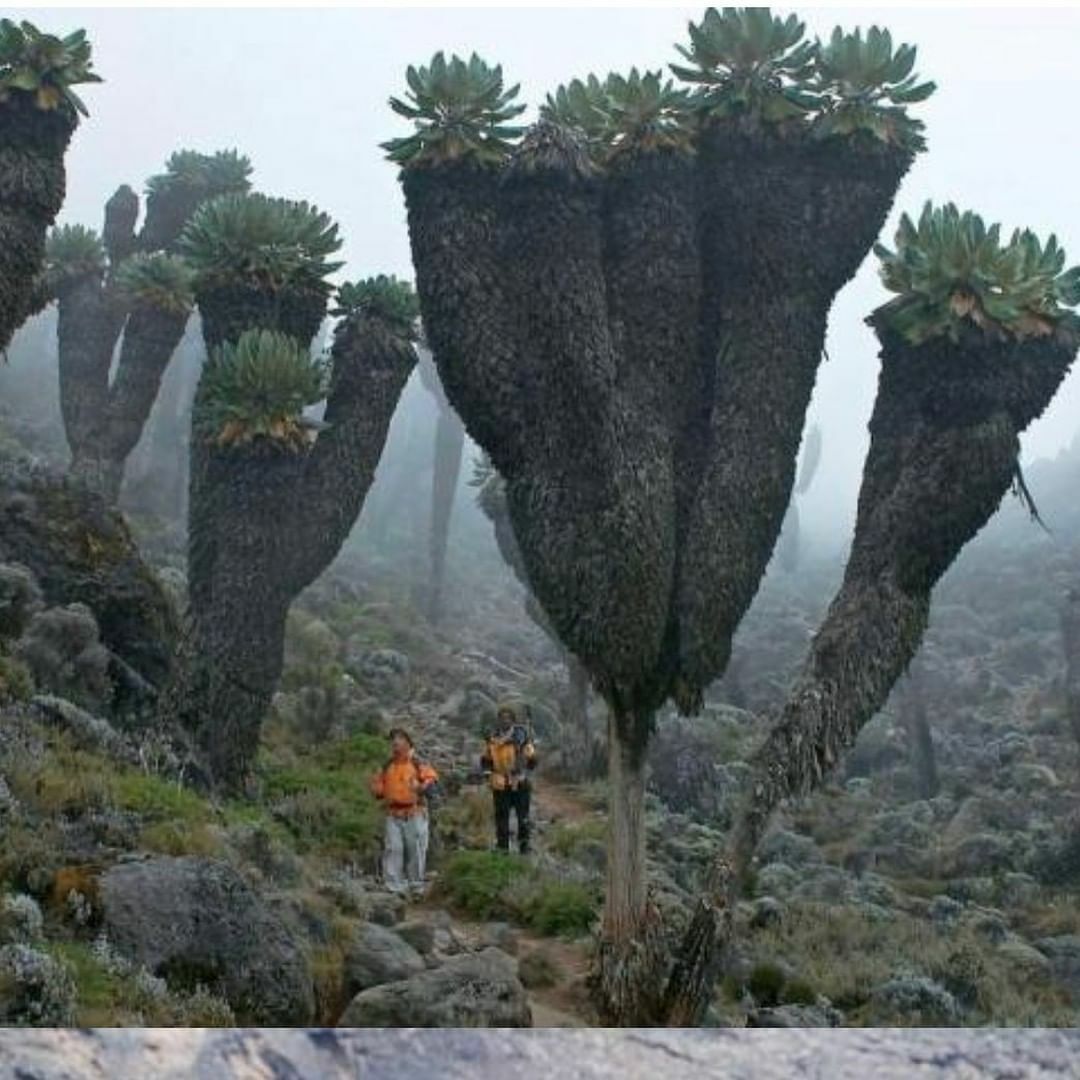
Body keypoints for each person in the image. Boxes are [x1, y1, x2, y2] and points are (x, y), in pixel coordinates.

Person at [370, 727, 438, 898]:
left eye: (399, 738)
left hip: (414, 812)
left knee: (415, 850)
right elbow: (378, 786)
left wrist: (421, 787)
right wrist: (378, 789)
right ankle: (394, 888)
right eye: (393, 739)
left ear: (408, 742)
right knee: (393, 848)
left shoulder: (417, 762)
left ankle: (416, 887)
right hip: (393, 813)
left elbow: (431, 779)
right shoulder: (387, 765)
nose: (395, 742)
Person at [481, 701, 538, 855]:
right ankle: (502, 849)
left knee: (523, 818)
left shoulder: (522, 737)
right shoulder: (492, 739)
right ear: (498, 720)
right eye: (502, 718)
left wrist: (528, 758)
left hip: (520, 783)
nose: (505, 720)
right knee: (501, 818)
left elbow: (533, 762)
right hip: (500, 784)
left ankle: (524, 848)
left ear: (513, 720)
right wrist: (488, 774)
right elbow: (486, 760)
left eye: (508, 718)